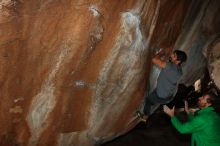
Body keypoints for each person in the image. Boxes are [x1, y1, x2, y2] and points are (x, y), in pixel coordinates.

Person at [137, 49, 187, 121]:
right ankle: (153, 103)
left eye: (174, 56)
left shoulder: (170, 66)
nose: (172, 55)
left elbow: (154, 59)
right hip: (169, 95)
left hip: (162, 96)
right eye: (173, 54)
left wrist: (160, 53)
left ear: (178, 61)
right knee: (154, 96)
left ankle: (145, 116)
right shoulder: (179, 69)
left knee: (148, 99)